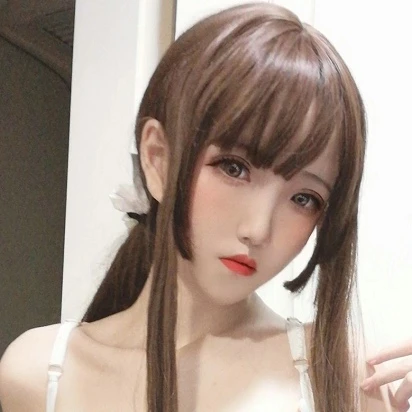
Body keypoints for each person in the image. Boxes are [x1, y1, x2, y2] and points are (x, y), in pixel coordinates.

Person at [0, 2, 411, 412]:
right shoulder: (39, 373)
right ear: (158, 159)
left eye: (304, 198)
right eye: (234, 168)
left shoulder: (340, 373)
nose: (258, 229)